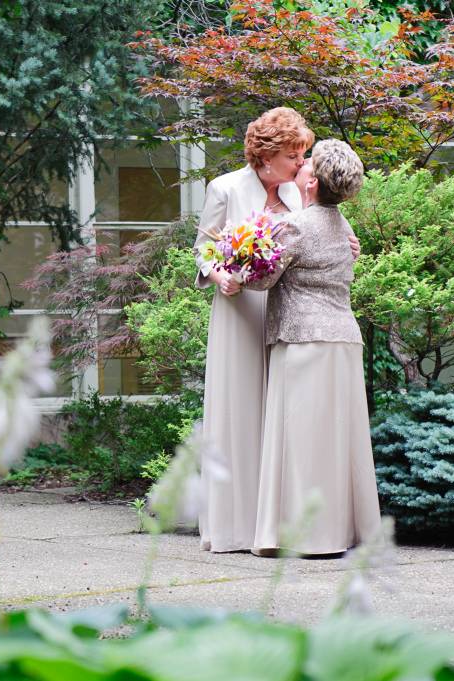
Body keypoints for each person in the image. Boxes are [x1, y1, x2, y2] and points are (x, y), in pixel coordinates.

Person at [194, 107, 359, 553]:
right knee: (242, 411)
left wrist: (347, 246)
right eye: (293, 155)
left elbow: (317, 239)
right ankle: (236, 527)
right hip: (239, 306)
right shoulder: (225, 188)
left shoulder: (299, 191)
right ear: (266, 157)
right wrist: (217, 275)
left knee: (284, 420)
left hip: (288, 311)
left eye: (303, 154)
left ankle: (277, 522)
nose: (301, 162)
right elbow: (202, 250)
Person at [246, 139, 381, 556]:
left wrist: (241, 257)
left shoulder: (297, 226)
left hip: (302, 339)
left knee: (302, 443)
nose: (302, 167)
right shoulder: (346, 229)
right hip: (343, 339)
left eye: (309, 164)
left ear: (313, 183)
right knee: (339, 443)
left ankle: (306, 537)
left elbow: (261, 281)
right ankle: (344, 532)